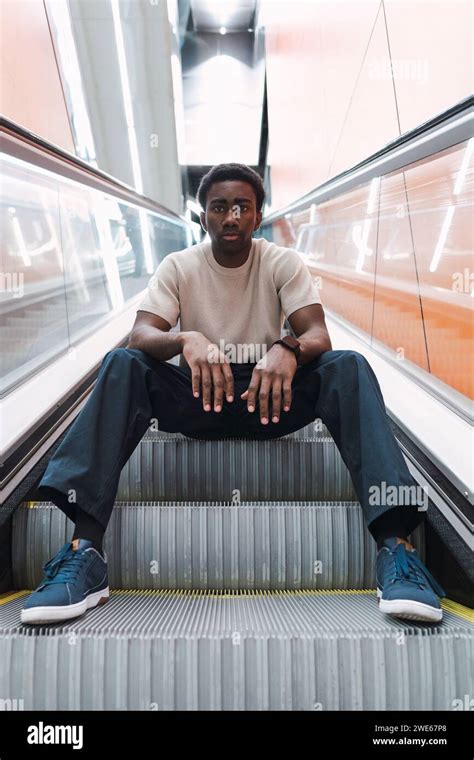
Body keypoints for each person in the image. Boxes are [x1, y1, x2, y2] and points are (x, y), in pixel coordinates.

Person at [22, 163, 445, 625]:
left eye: (242, 207)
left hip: (268, 398)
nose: (230, 217)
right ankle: (85, 552)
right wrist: (186, 339)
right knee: (121, 364)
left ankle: (395, 549)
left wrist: (287, 348)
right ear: (203, 216)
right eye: (219, 207)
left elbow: (319, 335)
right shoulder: (179, 267)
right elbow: (140, 334)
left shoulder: (282, 262)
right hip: (198, 398)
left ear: (257, 215)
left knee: (349, 368)